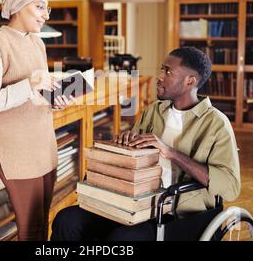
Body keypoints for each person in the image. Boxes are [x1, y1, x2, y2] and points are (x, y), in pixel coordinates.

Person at [51, 47, 241, 241]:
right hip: (135, 202)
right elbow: (133, 157)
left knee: (124, 239)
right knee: (67, 220)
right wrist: (124, 144)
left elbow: (230, 187)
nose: (159, 76)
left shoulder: (216, 123)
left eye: (168, 72)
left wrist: (171, 153)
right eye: (161, 69)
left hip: (178, 213)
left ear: (190, 81)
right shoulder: (154, 111)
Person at [0, 0, 75, 241]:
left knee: (42, 222)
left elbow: (35, 93)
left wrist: (53, 99)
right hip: (14, 146)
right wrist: (29, 84)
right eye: (40, 7)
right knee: (30, 228)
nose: (45, 15)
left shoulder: (37, 42)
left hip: (42, 140)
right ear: (18, 5)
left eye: (47, 9)